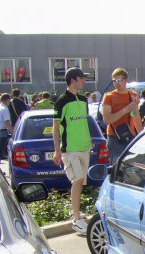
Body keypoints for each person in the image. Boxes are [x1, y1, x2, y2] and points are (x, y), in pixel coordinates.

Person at [53, 67, 93, 234]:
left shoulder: (83, 100)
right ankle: (76, 219)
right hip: (70, 149)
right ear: (74, 80)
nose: (84, 81)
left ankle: (76, 211)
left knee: (81, 181)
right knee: (77, 181)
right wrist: (56, 150)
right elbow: (55, 127)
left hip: (85, 147)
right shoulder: (61, 101)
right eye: (82, 78)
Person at [101, 67, 143, 164]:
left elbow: (136, 116)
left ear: (126, 80)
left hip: (130, 136)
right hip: (115, 137)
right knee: (117, 166)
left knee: (130, 166)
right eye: (114, 81)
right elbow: (107, 120)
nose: (117, 83)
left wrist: (141, 134)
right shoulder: (109, 97)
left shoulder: (133, 95)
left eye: (119, 80)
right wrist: (125, 110)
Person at [0, 93, 13, 171]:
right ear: (7, 100)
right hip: (3, 130)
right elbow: (7, 122)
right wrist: (12, 132)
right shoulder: (5, 109)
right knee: (0, 151)